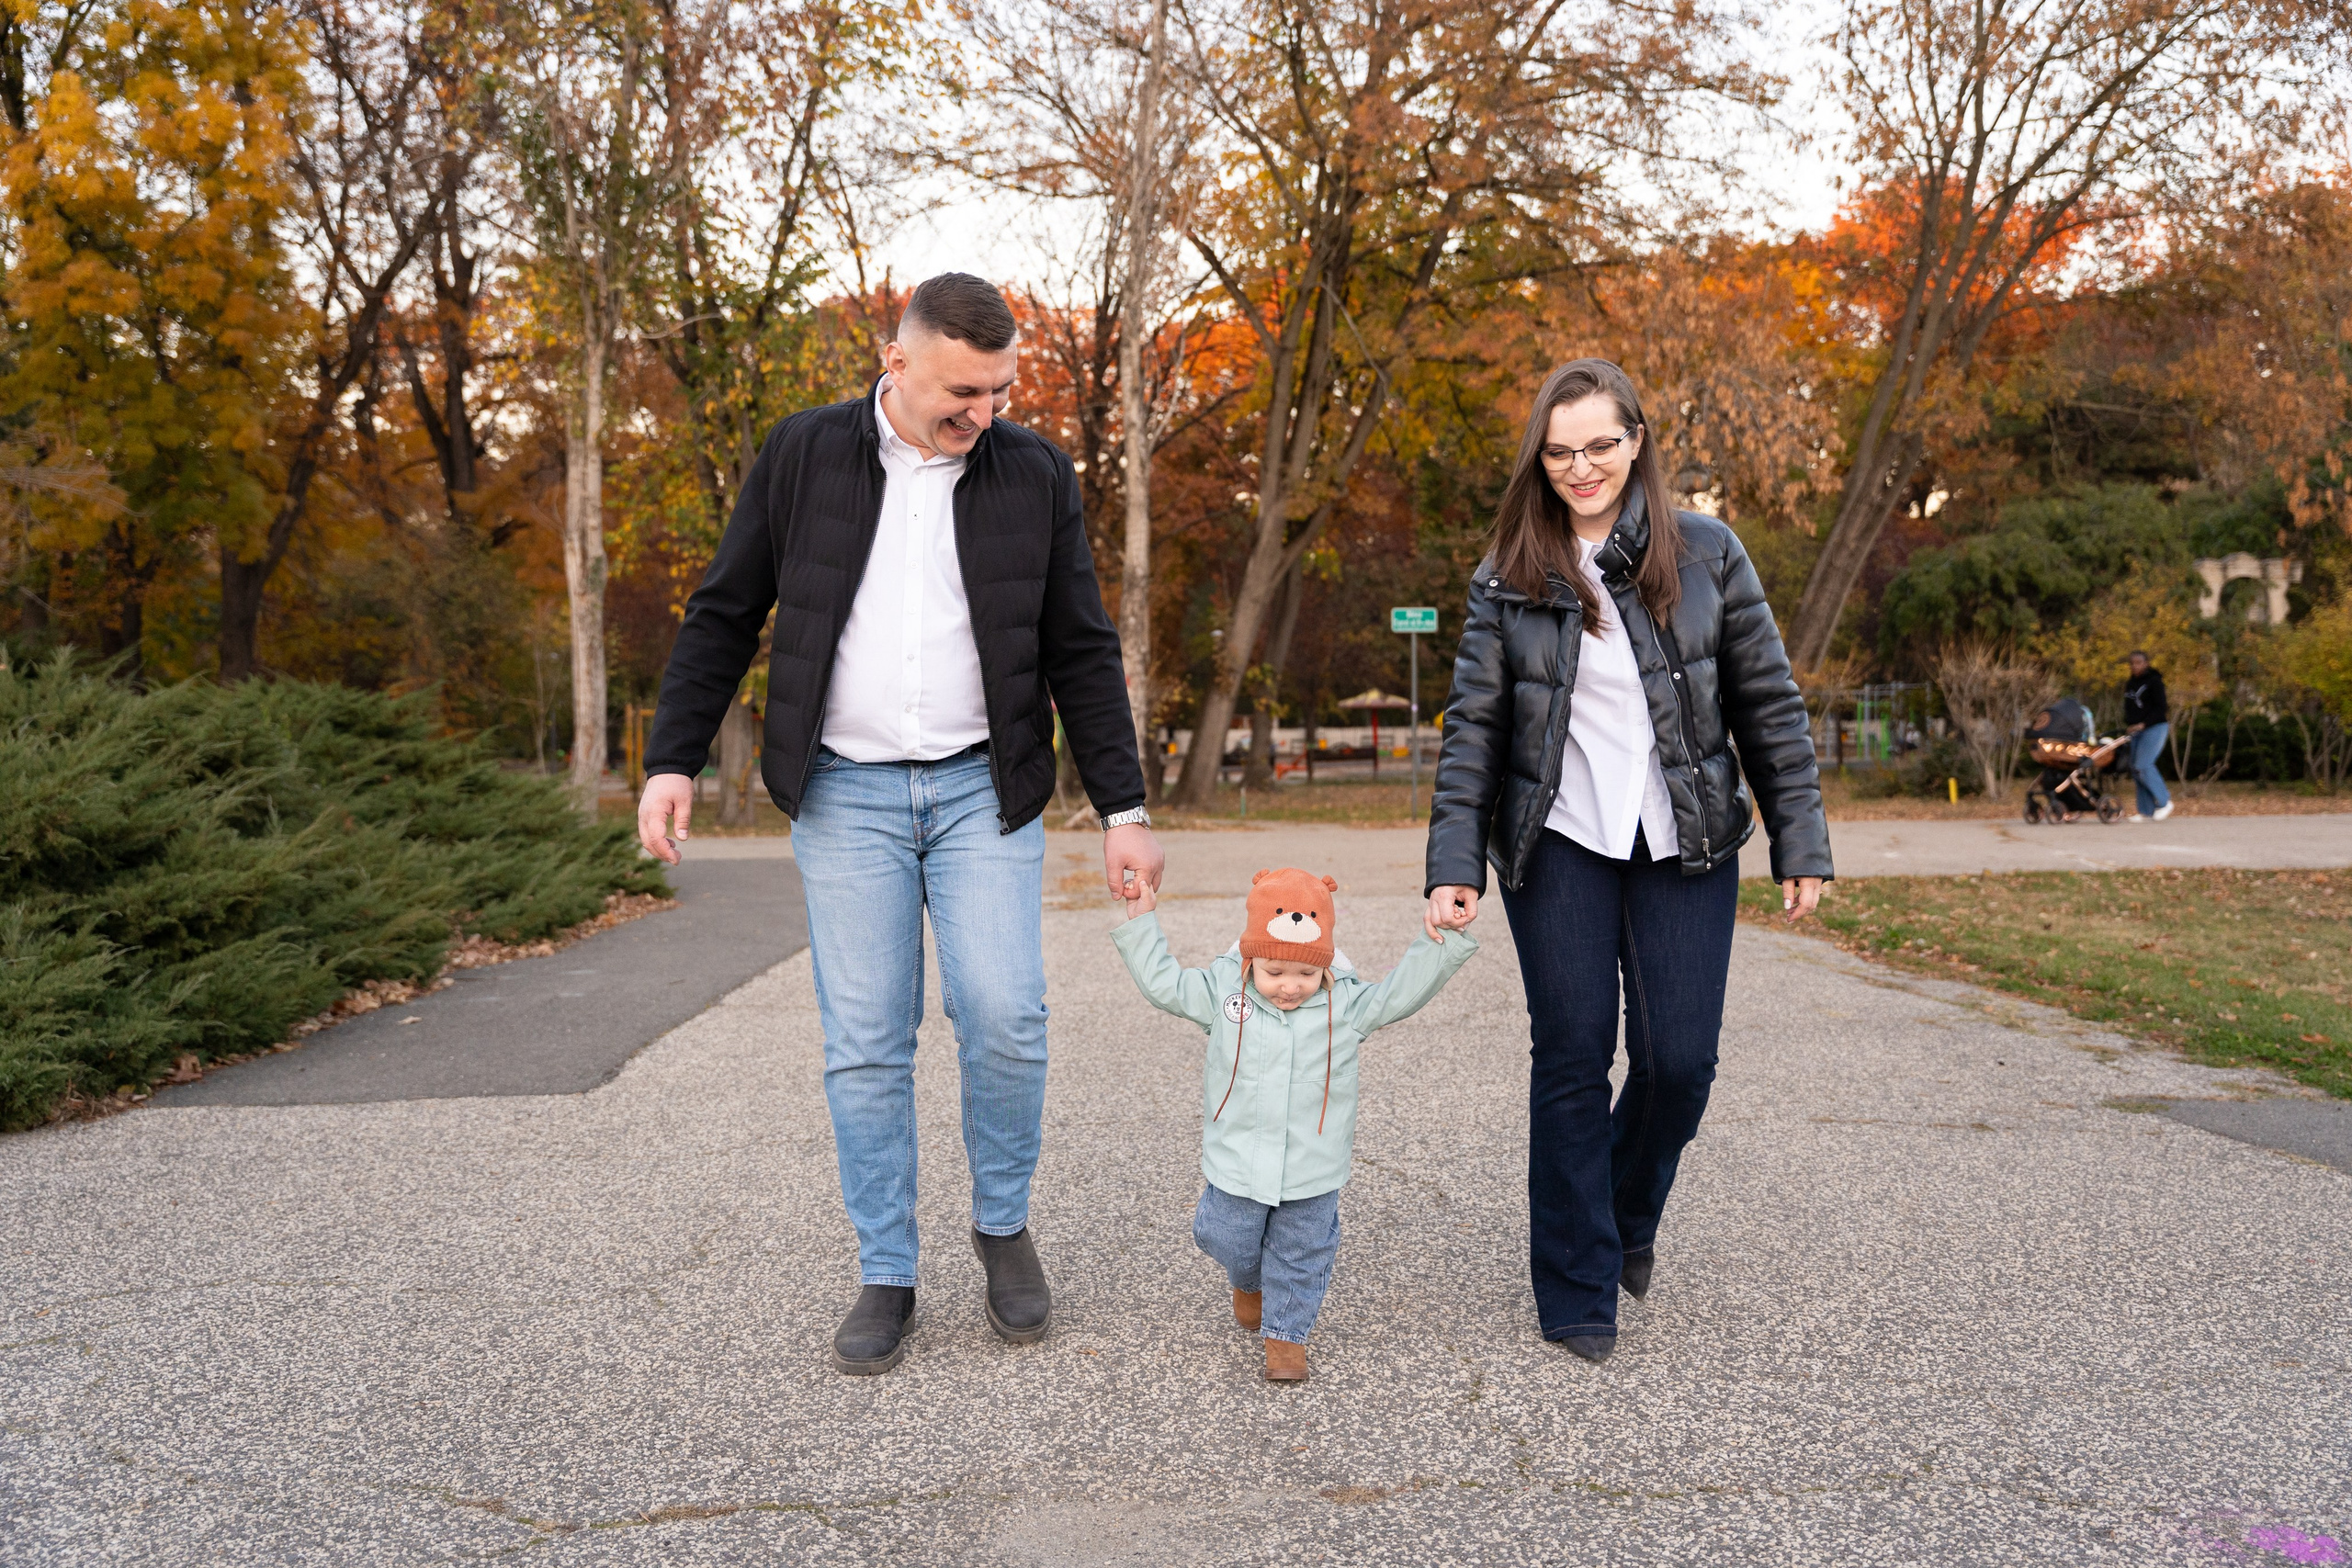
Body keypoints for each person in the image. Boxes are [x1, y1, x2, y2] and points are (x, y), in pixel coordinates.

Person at [636, 273, 1163, 1377]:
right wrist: (671, 759)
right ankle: (887, 1267)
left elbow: (1079, 643)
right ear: (898, 361)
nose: (984, 414)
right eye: (962, 393)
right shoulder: (803, 453)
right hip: (846, 794)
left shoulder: (1033, 473)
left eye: (1000, 391)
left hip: (985, 787)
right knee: (867, 1039)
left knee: (1005, 1013)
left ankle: (1003, 1227)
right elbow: (727, 608)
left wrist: (1124, 807)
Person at [1420, 358, 1832, 1363]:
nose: (1581, 468)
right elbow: (1473, 726)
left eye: (1600, 445)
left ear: (1637, 441)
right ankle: (1574, 1281)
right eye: (1559, 452)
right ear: (1540, 458)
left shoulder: (1708, 553)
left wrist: (1799, 837)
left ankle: (1622, 1214)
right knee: (1569, 1055)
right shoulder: (1508, 572)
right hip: (1556, 841)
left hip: (1682, 842)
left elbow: (1767, 703)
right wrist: (1451, 859)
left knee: (1677, 1063)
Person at [1110, 867, 1476, 1382]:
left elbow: (1400, 992)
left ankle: (1286, 1339)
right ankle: (1248, 1278)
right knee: (1228, 1236)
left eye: (1305, 975)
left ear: (1324, 967)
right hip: (1238, 1160)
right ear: (1250, 959)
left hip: (1312, 1165)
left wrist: (1443, 942)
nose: (1289, 987)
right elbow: (1163, 985)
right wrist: (1142, 920)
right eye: (1275, 972)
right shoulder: (1222, 995)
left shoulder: (1344, 1006)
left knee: (1303, 1252)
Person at [2123, 650, 2173, 821]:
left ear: (2146, 663)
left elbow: (2161, 709)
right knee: (2136, 770)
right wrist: (2130, 724)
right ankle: (2146, 811)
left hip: (2155, 727)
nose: (2135, 666)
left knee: (2144, 764)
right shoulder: (2130, 684)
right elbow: (2129, 708)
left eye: (2138, 662)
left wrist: (2143, 724)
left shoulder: (2155, 682)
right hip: (2136, 730)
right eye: (2132, 663)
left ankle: (2165, 801)